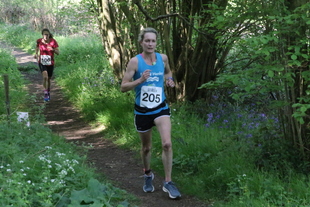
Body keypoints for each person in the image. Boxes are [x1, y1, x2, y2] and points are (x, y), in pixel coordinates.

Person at [120, 27, 181, 199]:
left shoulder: (163, 58)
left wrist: (169, 80)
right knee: (146, 148)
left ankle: (168, 182)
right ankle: (148, 174)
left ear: (156, 42)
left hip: (160, 108)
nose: (150, 43)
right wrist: (140, 80)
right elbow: (123, 86)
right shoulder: (135, 62)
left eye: (153, 41)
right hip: (142, 112)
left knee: (167, 144)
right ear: (141, 42)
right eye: (147, 40)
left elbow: (168, 72)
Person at [34, 28, 59, 102]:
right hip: (42, 61)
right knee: (45, 77)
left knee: (48, 78)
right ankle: (45, 93)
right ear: (42, 35)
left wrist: (53, 49)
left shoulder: (53, 41)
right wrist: (36, 54)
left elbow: (58, 52)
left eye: (47, 34)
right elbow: (37, 47)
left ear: (49, 35)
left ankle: (48, 91)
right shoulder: (39, 41)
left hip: (50, 62)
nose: (46, 36)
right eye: (44, 34)